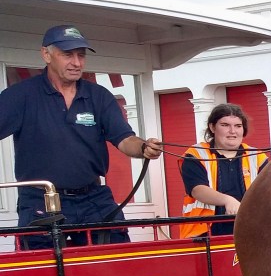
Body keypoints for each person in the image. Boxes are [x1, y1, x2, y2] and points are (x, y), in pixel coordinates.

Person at [0, 24, 161, 249]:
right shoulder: (20, 96)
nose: (77, 63)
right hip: (40, 199)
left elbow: (125, 139)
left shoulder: (99, 96)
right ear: (46, 54)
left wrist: (144, 147)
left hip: (94, 198)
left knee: (115, 262)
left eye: (81, 55)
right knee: (42, 272)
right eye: (67, 55)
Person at [179, 103, 269, 238]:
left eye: (238, 126)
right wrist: (228, 200)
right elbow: (197, 190)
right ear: (212, 127)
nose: (232, 131)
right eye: (225, 125)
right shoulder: (196, 155)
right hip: (204, 235)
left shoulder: (257, 157)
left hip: (251, 233)